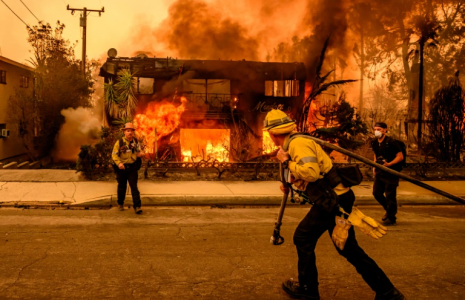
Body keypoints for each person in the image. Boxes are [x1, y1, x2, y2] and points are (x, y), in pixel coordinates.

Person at [264, 109, 404, 300]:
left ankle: (307, 289)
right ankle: (388, 292)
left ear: (272, 134)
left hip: (332, 201)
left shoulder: (298, 144)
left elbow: (311, 172)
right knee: (348, 249)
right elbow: (310, 172)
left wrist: (287, 162)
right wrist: (290, 180)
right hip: (337, 198)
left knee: (302, 237)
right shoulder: (295, 143)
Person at [370, 122, 404, 225]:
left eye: (379, 129)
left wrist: (389, 164)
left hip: (391, 172)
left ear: (385, 130)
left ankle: (391, 217)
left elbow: (400, 156)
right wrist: (374, 166)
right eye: (375, 129)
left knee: (390, 195)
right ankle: (389, 210)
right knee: (377, 193)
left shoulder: (392, 142)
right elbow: (376, 155)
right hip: (380, 171)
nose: (377, 131)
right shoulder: (374, 142)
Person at [112, 123, 144, 214]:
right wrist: (119, 164)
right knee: (122, 187)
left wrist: (141, 154)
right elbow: (114, 155)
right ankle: (120, 203)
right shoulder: (120, 142)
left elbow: (139, 152)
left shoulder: (135, 142)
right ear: (124, 132)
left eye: (131, 131)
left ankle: (137, 206)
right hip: (122, 168)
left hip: (132, 168)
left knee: (134, 187)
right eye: (128, 131)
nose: (130, 132)